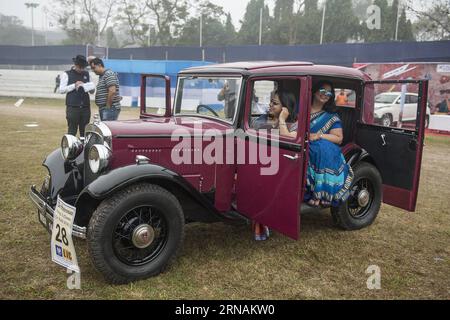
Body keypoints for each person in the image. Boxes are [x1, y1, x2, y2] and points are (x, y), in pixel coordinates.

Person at [279, 80, 353, 207]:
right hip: (296, 141)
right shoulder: (301, 109)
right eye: (322, 90)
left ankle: (318, 193)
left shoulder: (331, 116)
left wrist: (319, 135)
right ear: (314, 91)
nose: (325, 94)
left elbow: (338, 138)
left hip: (318, 146)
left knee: (319, 150)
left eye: (329, 93)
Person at [252, 89, 297, 241]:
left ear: (286, 108)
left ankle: (264, 222)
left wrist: (282, 119)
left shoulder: (294, 123)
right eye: (270, 102)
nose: (270, 105)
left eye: (275, 103)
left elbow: (287, 138)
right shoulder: (263, 119)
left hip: (284, 164)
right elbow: (255, 131)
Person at [59, 55, 95, 138]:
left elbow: (92, 91)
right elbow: (61, 90)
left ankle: (85, 149)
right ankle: (71, 149)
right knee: (72, 130)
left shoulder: (87, 74)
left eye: (83, 67)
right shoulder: (66, 74)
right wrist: (74, 85)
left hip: (85, 107)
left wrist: (91, 88)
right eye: (80, 67)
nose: (82, 69)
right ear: (75, 65)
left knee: (85, 131)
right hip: (73, 107)